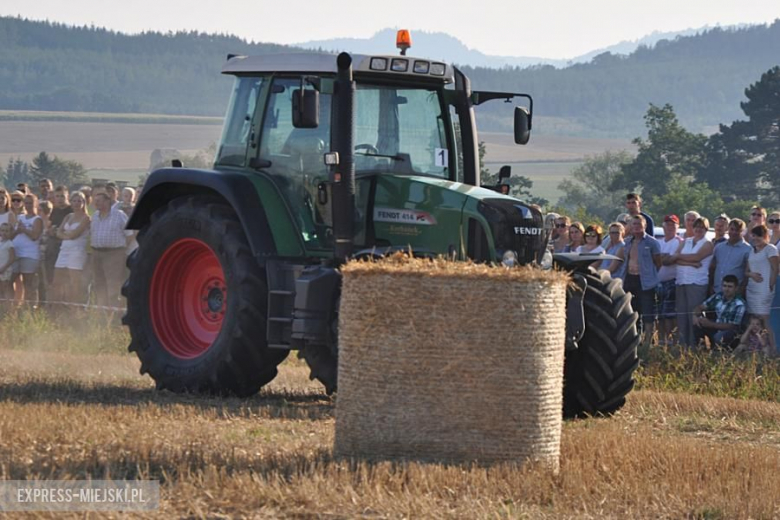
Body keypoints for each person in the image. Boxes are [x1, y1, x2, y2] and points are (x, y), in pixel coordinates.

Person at [668, 217, 714, 348]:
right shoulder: (685, 241)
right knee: (681, 316)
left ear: (706, 229)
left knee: (693, 316)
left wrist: (682, 258)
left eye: (702, 227)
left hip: (697, 283)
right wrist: (691, 263)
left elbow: (697, 257)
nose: (698, 229)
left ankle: (694, 345)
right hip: (681, 281)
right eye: (696, 227)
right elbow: (674, 258)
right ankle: (682, 345)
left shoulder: (708, 243)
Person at [616, 215, 662, 341]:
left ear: (644, 226)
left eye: (638, 224)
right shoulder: (626, 243)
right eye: (634, 224)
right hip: (630, 279)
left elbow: (658, 262)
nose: (636, 227)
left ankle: (648, 341)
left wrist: (650, 275)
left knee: (647, 312)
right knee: (631, 312)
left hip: (646, 282)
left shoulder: (652, 242)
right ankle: (634, 339)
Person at [90, 192, 132, 308]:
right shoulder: (94, 216)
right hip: (97, 253)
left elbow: (129, 234)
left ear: (107, 201)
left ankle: (113, 311)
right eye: (95, 200)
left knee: (113, 283)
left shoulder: (119, 215)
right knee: (99, 283)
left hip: (114, 254)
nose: (96, 202)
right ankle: (101, 310)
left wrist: (121, 251)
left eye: (99, 200)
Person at [745, 224, 778, 354]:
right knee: (753, 320)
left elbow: (776, 269)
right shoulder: (751, 250)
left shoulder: (770, 249)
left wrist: (770, 285)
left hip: (764, 289)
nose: (756, 238)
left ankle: (773, 349)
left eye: (759, 235)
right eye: (754, 235)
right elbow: (746, 271)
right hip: (752, 288)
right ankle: (755, 349)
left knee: (764, 319)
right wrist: (751, 274)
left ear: (765, 236)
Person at [54, 191, 91, 305]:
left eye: (79, 201)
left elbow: (75, 234)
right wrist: (66, 235)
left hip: (77, 251)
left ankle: (75, 307)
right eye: (74, 201)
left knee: (75, 281)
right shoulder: (68, 216)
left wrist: (66, 235)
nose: (76, 203)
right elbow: (58, 232)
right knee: (58, 279)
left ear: (83, 203)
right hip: (64, 250)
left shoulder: (86, 218)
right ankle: (58, 305)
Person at [692, 275, 746, 348]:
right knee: (697, 325)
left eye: (730, 287)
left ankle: (721, 353)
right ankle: (701, 350)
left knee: (719, 337)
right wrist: (695, 316)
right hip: (715, 325)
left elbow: (733, 326)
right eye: (724, 286)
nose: (726, 289)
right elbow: (700, 307)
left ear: (736, 288)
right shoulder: (718, 296)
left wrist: (710, 324)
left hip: (730, 331)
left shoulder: (739, 303)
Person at [656, 215, 683, 346]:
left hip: (672, 281)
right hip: (658, 282)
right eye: (667, 224)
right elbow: (656, 260)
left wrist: (664, 258)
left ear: (678, 226)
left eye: (673, 224)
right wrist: (663, 258)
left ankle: (672, 340)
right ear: (663, 226)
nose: (670, 227)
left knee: (670, 314)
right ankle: (661, 340)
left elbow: (668, 261)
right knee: (660, 314)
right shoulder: (659, 242)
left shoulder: (679, 241)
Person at [12, 193, 43, 304]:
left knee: (28, 283)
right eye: (26, 203)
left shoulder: (37, 219)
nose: (28, 205)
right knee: (10, 279)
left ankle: (30, 307)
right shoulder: (20, 217)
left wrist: (24, 229)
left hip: (29, 255)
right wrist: (17, 230)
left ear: (35, 204)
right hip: (16, 253)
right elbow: (14, 234)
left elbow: (35, 236)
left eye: (30, 203)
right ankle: (14, 304)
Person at [710, 218, 751, 295]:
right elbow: (713, 268)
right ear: (728, 229)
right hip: (717, 290)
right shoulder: (719, 247)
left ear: (742, 231)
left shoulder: (748, 249)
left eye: (737, 230)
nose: (734, 232)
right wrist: (710, 286)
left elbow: (747, 273)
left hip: (735, 293)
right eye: (732, 229)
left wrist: (742, 289)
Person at [44, 186, 74, 289]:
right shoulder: (55, 210)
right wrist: (50, 230)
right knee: (51, 274)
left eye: (62, 196)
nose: (60, 199)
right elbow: (49, 225)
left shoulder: (72, 210)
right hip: (53, 245)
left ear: (67, 196)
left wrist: (57, 231)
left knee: (66, 276)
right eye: (57, 196)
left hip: (67, 245)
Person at [0, 223, 15, 306]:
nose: (4, 233)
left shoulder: (9, 244)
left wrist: (4, 268)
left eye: (7, 231)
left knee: (5, 288)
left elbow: (12, 258)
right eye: (2, 230)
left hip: (5, 270)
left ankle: (8, 306)